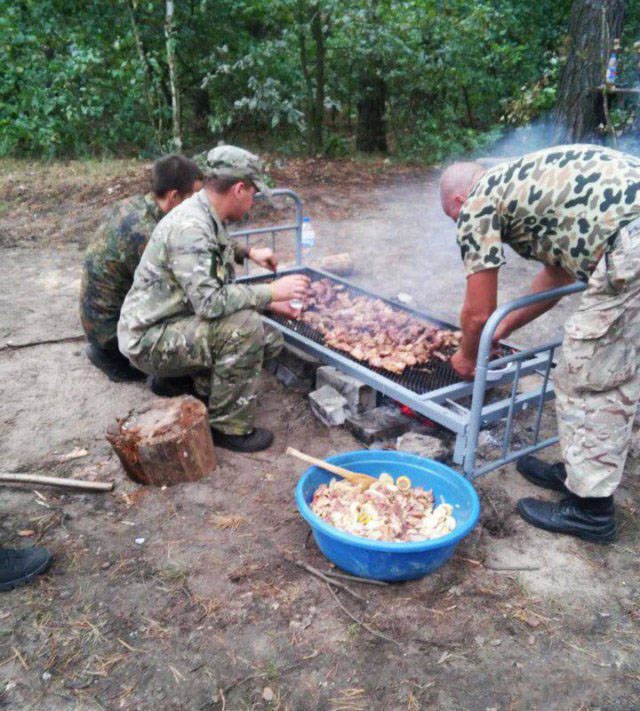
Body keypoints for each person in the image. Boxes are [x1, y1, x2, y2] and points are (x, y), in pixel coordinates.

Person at [440, 144, 640, 543]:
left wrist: (466, 355)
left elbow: (478, 312)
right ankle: (580, 474)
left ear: (459, 200)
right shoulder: (525, 182)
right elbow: (558, 277)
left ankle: (591, 512)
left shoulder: (476, 204)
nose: (458, 224)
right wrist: (502, 331)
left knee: (587, 376)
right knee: (613, 364)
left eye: (453, 217)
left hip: (631, 250)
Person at [118, 145, 309, 453]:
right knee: (245, 329)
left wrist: (253, 260)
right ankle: (228, 427)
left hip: (172, 320)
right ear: (238, 189)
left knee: (269, 339)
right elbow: (211, 303)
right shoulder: (191, 227)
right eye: (253, 194)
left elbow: (214, 254)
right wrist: (271, 292)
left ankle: (178, 381)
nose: (252, 202)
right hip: (149, 338)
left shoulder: (203, 210)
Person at [80, 154, 204, 381]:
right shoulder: (145, 233)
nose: (198, 205)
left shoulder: (134, 206)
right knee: (192, 319)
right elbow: (183, 285)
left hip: (98, 321)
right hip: (112, 333)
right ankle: (135, 368)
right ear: (174, 196)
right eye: (194, 197)